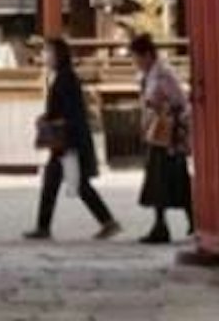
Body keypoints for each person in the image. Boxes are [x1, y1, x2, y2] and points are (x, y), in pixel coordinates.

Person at [23, 33, 118, 240]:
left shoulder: (65, 77)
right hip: (67, 138)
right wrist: (47, 117)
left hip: (68, 139)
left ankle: (46, 226)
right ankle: (106, 221)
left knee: (72, 183)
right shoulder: (61, 76)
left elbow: (70, 110)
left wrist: (50, 120)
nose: (44, 55)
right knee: (66, 182)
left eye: (47, 51)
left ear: (58, 54)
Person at [128, 31, 192, 245]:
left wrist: (161, 108)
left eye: (136, 57)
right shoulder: (151, 74)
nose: (135, 62)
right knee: (163, 181)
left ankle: (187, 221)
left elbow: (180, 101)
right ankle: (162, 224)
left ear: (147, 55)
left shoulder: (163, 73)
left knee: (169, 180)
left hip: (169, 135)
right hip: (157, 133)